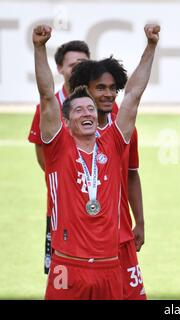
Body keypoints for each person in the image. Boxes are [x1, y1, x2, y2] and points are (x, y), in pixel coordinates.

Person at [32, 23, 159, 299]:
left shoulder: (112, 143)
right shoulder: (58, 146)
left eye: (90, 108)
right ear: (65, 119)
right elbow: (45, 95)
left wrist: (150, 46)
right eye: (79, 109)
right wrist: (39, 48)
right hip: (67, 264)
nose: (87, 112)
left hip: (108, 264)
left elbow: (134, 96)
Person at [69, 58, 147, 299]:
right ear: (85, 90)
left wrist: (140, 221)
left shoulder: (124, 130)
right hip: (82, 242)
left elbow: (132, 175)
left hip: (121, 237)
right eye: (100, 88)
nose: (108, 94)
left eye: (113, 88)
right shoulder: (67, 136)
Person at [27, 40, 94, 275]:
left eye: (83, 64)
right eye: (73, 64)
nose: (77, 69)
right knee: (61, 275)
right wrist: (66, 181)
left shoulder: (104, 105)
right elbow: (42, 154)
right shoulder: (49, 106)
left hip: (101, 210)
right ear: (60, 69)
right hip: (61, 209)